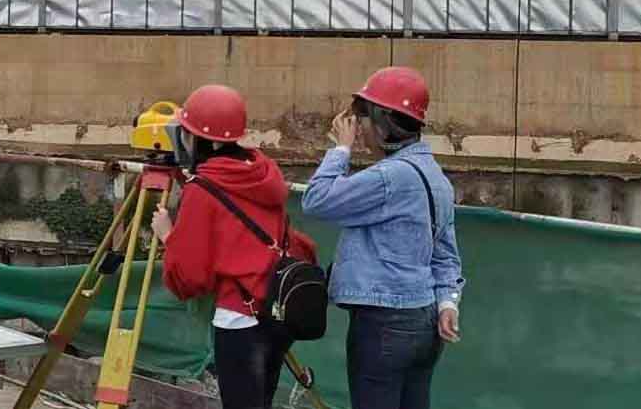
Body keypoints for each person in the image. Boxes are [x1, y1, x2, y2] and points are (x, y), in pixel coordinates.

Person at [302, 66, 465, 409]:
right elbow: (446, 256)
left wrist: (341, 150)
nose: (359, 129)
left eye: (363, 118)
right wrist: (448, 301)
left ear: (383, 121)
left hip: (383, 323)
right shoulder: (436, 178)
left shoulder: (389, 177)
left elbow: (316, 201)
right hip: (425, 320)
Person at [151, 84, 316, 409]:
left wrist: (169, 236)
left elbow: (190, 278)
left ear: (207, 141)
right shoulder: (261, 173)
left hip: (239, 321)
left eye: (188, 134)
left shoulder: (203, 190)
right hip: (277, 312)